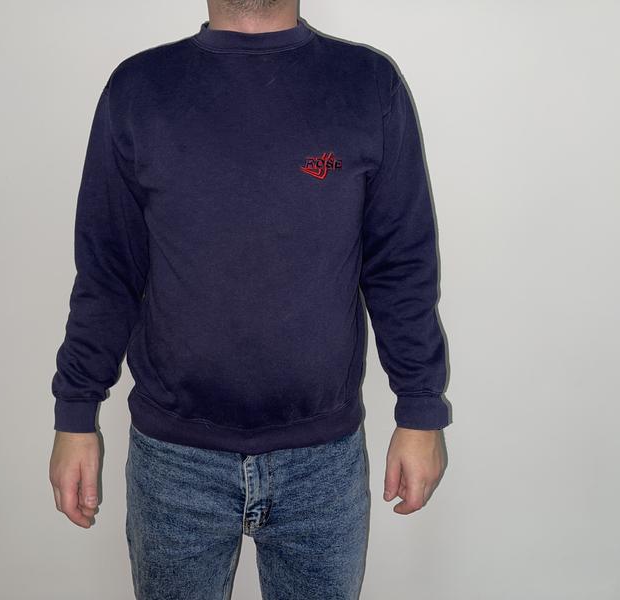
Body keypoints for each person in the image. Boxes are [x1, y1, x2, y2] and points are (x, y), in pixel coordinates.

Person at [49, 1, 451, 598]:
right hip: (174, 460)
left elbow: (400, 264)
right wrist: (76, 412)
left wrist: (420, 408)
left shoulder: (368, 84)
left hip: (322, 459)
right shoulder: (140, 89)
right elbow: (108, 268)